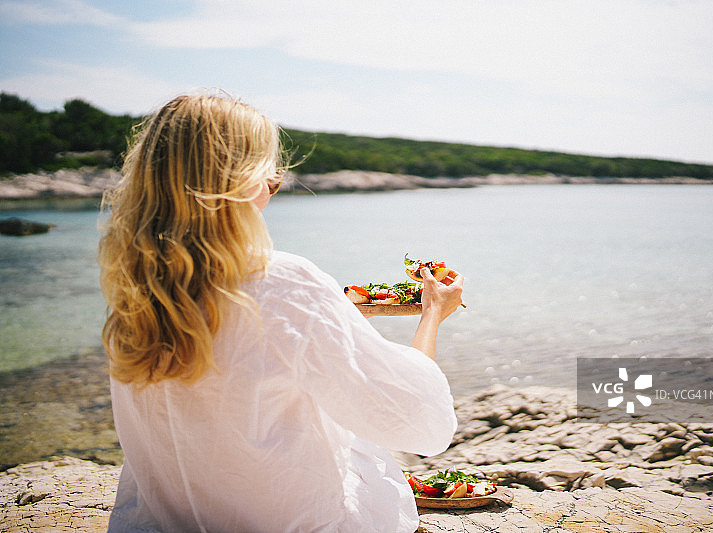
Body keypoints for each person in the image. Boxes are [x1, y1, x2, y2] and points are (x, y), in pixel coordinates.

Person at [98, 93, 464, 532]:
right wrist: (432, 314)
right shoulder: (282, 280)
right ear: (236, 183)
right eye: (269, 178)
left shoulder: (136, 284)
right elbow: (417, 423)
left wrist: (337, 327)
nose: (271, 190)